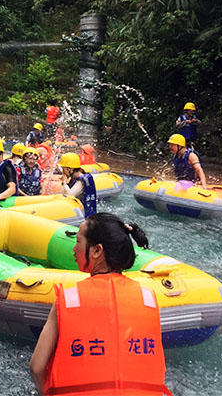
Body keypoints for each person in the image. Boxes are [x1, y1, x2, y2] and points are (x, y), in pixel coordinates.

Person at [30, 213, 170, 395]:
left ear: (97, 250)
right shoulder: (148, 299)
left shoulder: (70, 299)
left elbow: (37, 367)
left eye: (78, 241)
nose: (74, 249)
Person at [59, 152, 97, 217]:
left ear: (70, 169)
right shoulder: (74, 178)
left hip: (86, 216)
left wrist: (64, 182)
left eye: (63, 169)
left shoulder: (81, 181)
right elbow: (62, 194)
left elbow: (70, 195)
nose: (62, 171)